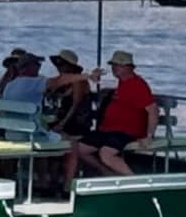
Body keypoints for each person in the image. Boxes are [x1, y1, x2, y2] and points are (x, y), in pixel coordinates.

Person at [62, 49, 158, 191]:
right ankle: (104, 171)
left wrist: (149, 135)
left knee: (106, 153)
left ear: (128, 67)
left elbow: (153, 110)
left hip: (126, 132)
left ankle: (136, 182)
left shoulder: (138, 85)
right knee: (77, 148)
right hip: (108, 130)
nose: (114, 68)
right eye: (113, 65)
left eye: (117, 65)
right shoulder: (122, 83)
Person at [46, 49, 93, 139]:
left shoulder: (79, 81)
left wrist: (61, 124)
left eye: (62, 64)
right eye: (57, 64)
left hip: (76, 122)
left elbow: (75, 105)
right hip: (62, 119)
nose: (59, 67)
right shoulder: (61, 81)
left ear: (70, 66)